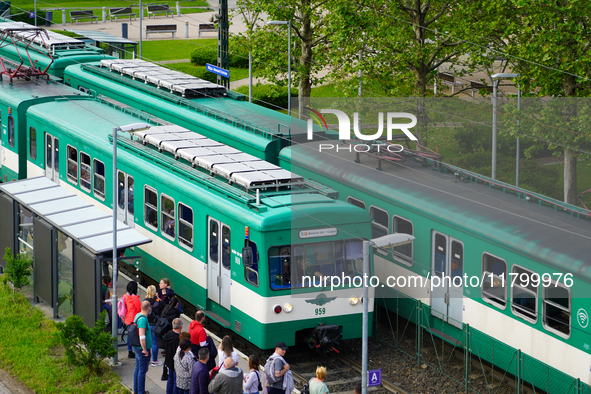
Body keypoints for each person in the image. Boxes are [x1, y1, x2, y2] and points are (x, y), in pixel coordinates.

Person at [133, 300, 152, 394]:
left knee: (138, 368)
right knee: (142, 371)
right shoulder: (143, 319)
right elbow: (142, 336)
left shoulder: (138, 315)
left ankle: (136, 390)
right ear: (148, 308)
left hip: (137, 348)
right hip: (141, 349)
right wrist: (145, 349)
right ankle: (140, 391)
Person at [144, 285, 162, 367]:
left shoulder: (144, 301)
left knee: (147, 343)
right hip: (155, 325)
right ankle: (154, 360)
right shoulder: (157, 301)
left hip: (146, 325)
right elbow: (164, 307)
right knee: (155, 343)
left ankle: (147, 360)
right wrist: (158, 298)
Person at [163, 318, 183, 392]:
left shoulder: (169, 334)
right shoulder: (178, 339)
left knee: (170, 380)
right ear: (180, 327)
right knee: (176, 382)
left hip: (168, 361)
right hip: (175, 364)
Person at [125, 281, 142, 359]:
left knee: (129, 335)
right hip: (134, 319)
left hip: (128, 319)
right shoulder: (135, 298)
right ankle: (136, 350)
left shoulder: (125, 296)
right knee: (135, 335)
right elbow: (139, 309)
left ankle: (129, 351)